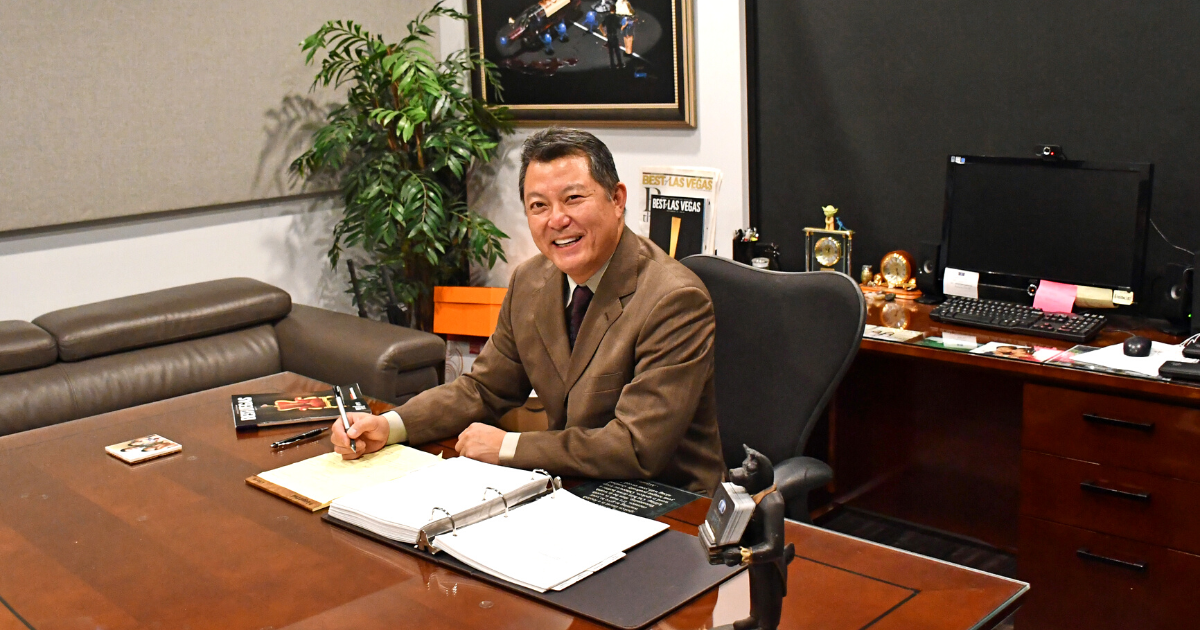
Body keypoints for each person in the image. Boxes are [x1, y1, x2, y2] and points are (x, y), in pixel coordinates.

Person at [332, 128, 724, 494]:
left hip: (668, 503)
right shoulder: (530, 282)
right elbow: (484, 389)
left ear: (617, 199)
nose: (557, 219)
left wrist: (510, 447)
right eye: (539, 206)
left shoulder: (673, 299)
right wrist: (390, 425)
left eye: (573, 198)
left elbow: (637, 446)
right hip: (570, 485)